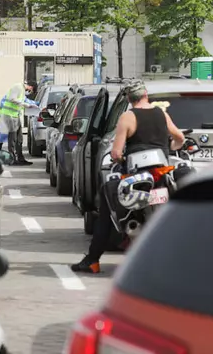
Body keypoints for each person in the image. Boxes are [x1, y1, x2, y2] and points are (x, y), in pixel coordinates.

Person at [71, 80, 185, 274]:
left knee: (106, 205)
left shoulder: (127, 117)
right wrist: (171, 148)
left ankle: (92, 260)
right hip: (160, 174)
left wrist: (120, 156)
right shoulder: (161, 114)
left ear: (129, 99)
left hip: (138, 175)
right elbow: (180, 138)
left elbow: (115, 152)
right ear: (146, 94)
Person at [0, 81, 38, 166]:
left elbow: (22, 101)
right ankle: (12, 159)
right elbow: (12, 99)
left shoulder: (22, 90)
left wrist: (32, 105)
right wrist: (26, 105)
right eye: (31, 90)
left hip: (15, 115)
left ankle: (20, 158)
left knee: (19, 138)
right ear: (31, 87)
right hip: (9, 115)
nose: (29, 92)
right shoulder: (18, 87)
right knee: (12, 138)